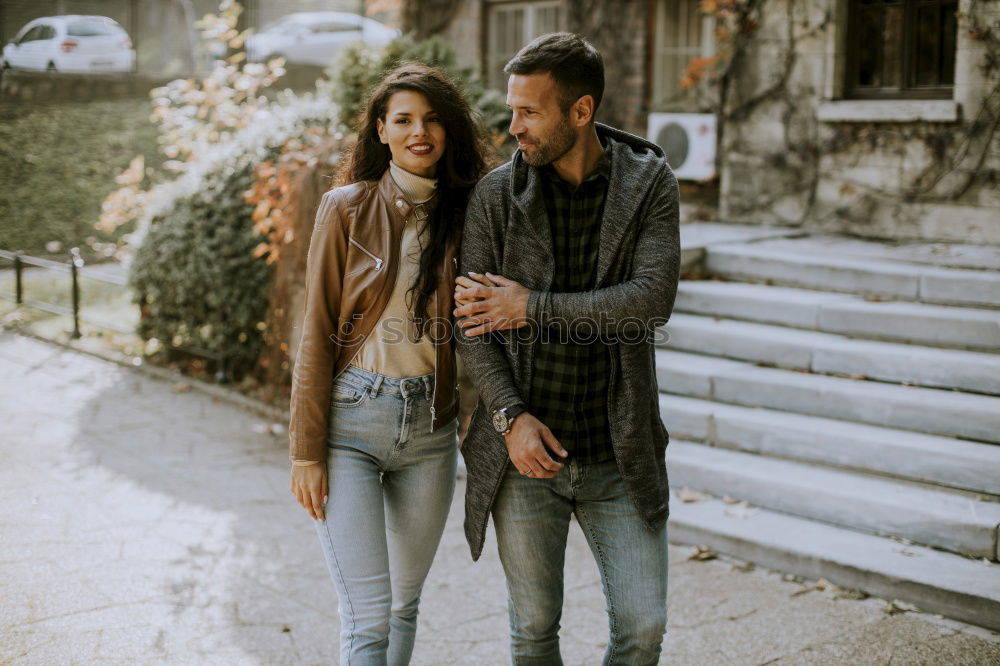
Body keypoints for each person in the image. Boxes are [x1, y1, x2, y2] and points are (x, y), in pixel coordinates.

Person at [452, 33, 681, 665]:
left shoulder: (650, 183)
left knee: (642, 629)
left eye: (529, 111)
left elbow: (650, 300)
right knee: (532, 630)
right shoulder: (496, 195)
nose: (513, 125)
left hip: (619, 452)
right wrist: (510, 419)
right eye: (512, 108)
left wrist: (530, 307)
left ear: (580, 112)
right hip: (525, 459)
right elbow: (472, 327)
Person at [287, 63, 488, 664]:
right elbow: (317, 330)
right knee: (369, 617)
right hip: (351, 423)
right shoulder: (345, 208)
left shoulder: (472, 212)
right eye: (403, 119)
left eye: (431, 120)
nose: (418, 131)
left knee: (404, 604)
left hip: (430, 429)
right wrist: (305, 449)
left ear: (448, 132)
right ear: (381, 129)